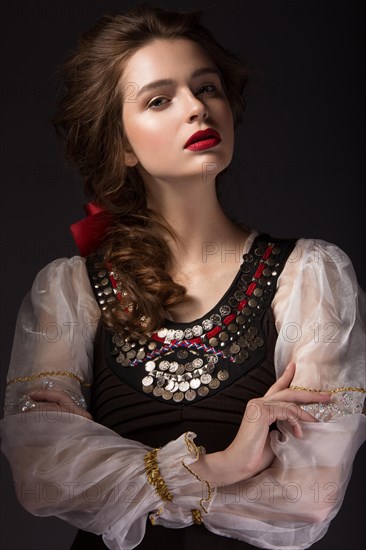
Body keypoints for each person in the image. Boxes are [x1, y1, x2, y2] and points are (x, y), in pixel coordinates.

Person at [1, 3, 365, 550]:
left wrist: (125, 478)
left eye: (208, 88)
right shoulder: (71, 290)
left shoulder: (308, 275)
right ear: (122, 144)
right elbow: (45, 472)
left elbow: (308, 492)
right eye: (159, 99)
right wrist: (219, 467)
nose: (196, 108)